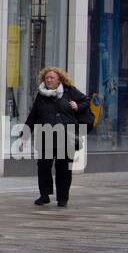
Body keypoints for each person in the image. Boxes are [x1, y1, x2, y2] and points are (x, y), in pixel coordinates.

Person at [24, 66, 88, 207]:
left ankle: (62, 198)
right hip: (45, 135)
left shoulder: (69, 91)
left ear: (59, 79)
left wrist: (77, 106)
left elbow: (86, 101)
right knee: (43, 166)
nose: (49, 80)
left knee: (64, 168)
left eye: (52, 77)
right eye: (47, 78)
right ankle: (44, 195)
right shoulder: (41, 94)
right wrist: (25, 134)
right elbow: (33, 115)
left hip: (66, 136)